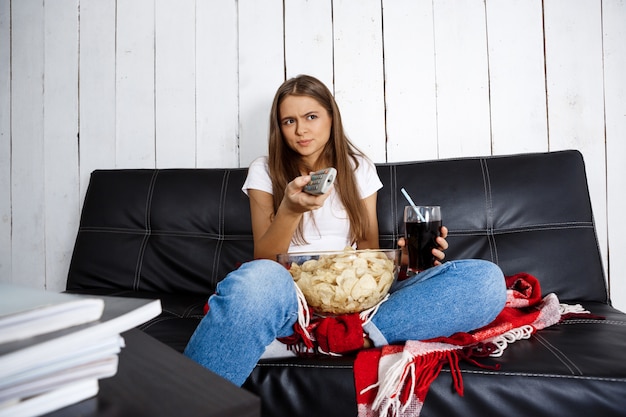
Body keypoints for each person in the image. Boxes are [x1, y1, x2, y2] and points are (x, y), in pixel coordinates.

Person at [184, 75, 507, 386]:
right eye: (289, 121)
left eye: (311, 116)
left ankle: (339, 337)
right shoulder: (264, 170)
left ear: (331, 118)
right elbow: (264, 258)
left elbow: (367, 253)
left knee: (486, 280)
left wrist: (404, 259)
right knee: (254, 281)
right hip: (290, 296)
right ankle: (323, 334)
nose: (301, 130)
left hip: (357, 301)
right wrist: (290, 210)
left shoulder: (358, 168)